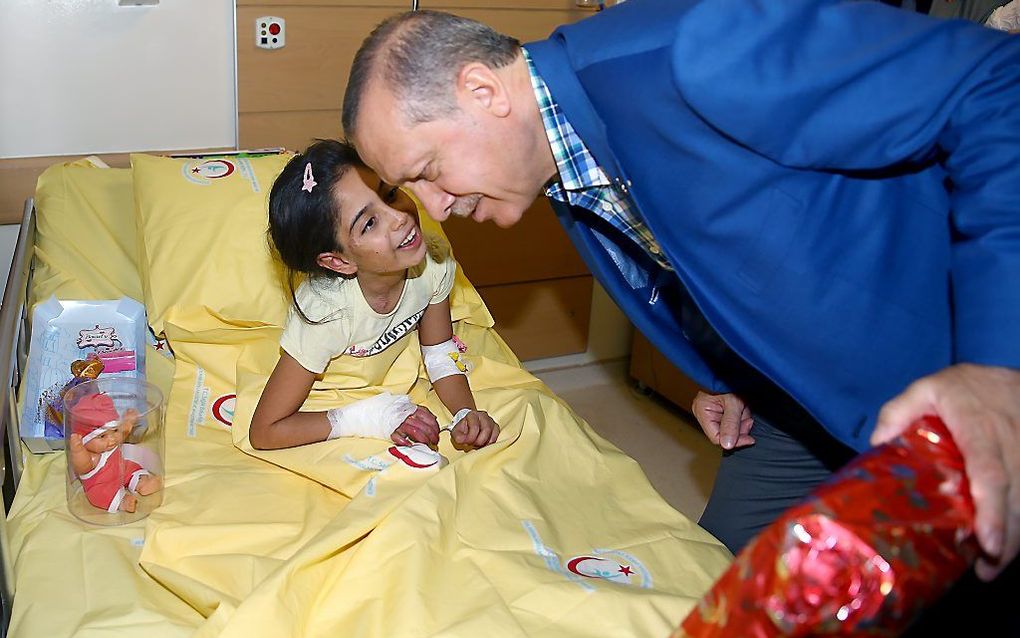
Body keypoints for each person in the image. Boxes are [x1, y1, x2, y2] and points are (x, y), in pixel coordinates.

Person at [340, 0, 1020, 588]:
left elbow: (997, 84)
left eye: (428, 172)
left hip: (952, 366)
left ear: (484, 91)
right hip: (794, 404)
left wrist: (998, 365)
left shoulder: (696, 49)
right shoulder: (559, 165)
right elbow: (702, 240)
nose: (436, 207)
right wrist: (726, 366)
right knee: (719, 592)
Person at [249, 139, 499, 452]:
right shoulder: (326, 314)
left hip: (396, 390)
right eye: (369, 223)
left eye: (390, 193)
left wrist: (466, 413)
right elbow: (265, 431)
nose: (400, 217)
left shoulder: (433, 262)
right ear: (339, 261)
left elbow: (436, 350)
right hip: (327, 404)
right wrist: (371, 418)